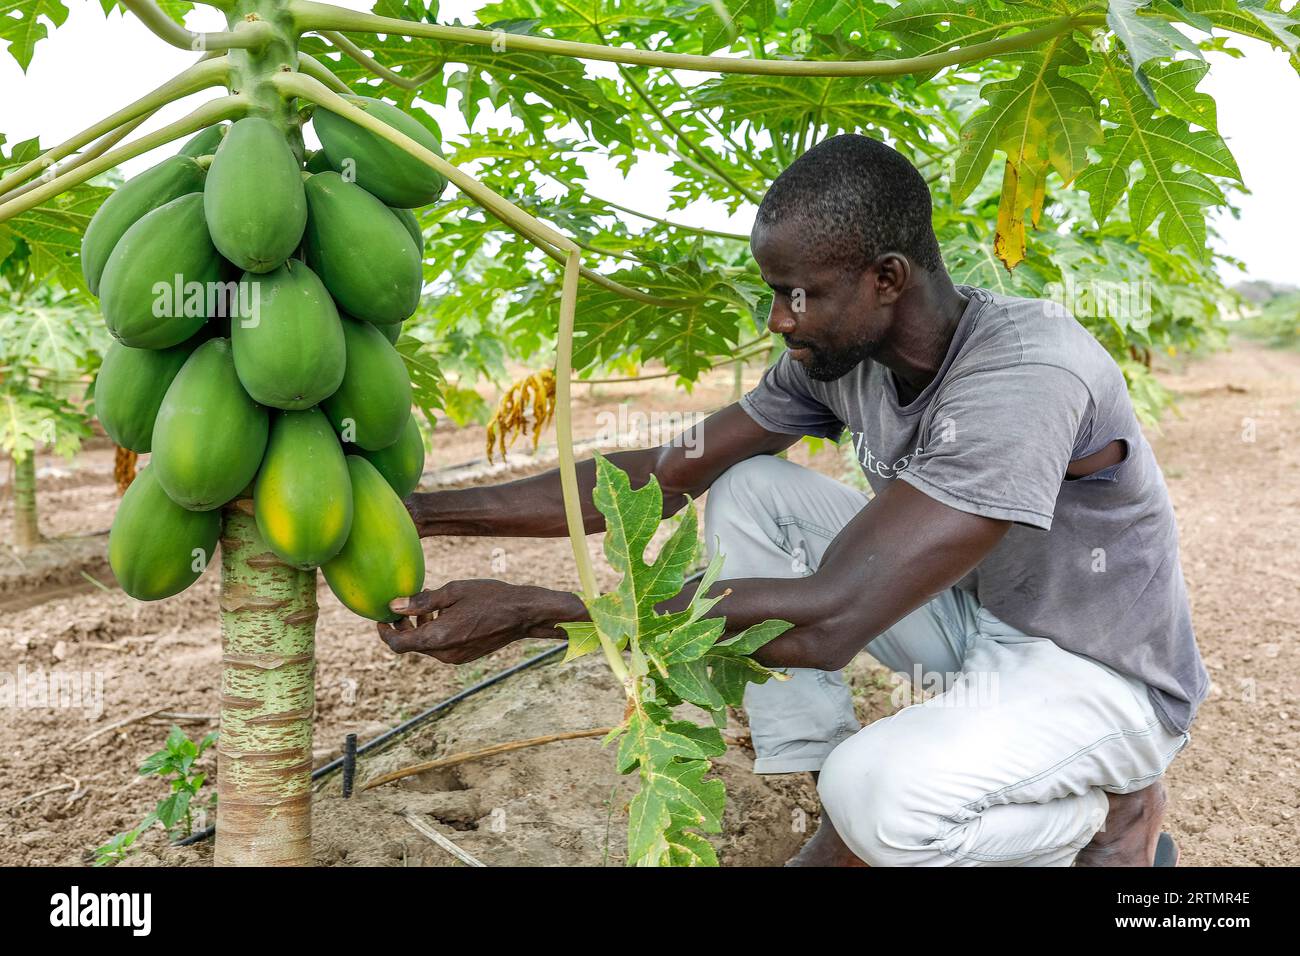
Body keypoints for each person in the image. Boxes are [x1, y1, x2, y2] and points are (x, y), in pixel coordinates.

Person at [378, 133, 1206, 867]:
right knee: (746, 485)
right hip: (970, 617)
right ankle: (831, 802)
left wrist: (541, 611)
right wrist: (422, 511)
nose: (779, 318)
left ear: (887, 278)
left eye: (797, 293)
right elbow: (668, 472)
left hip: (1097, 672)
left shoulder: (1026, 374)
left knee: (881, 797)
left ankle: (1104, 820)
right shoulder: (844, 357)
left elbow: (828, 618)